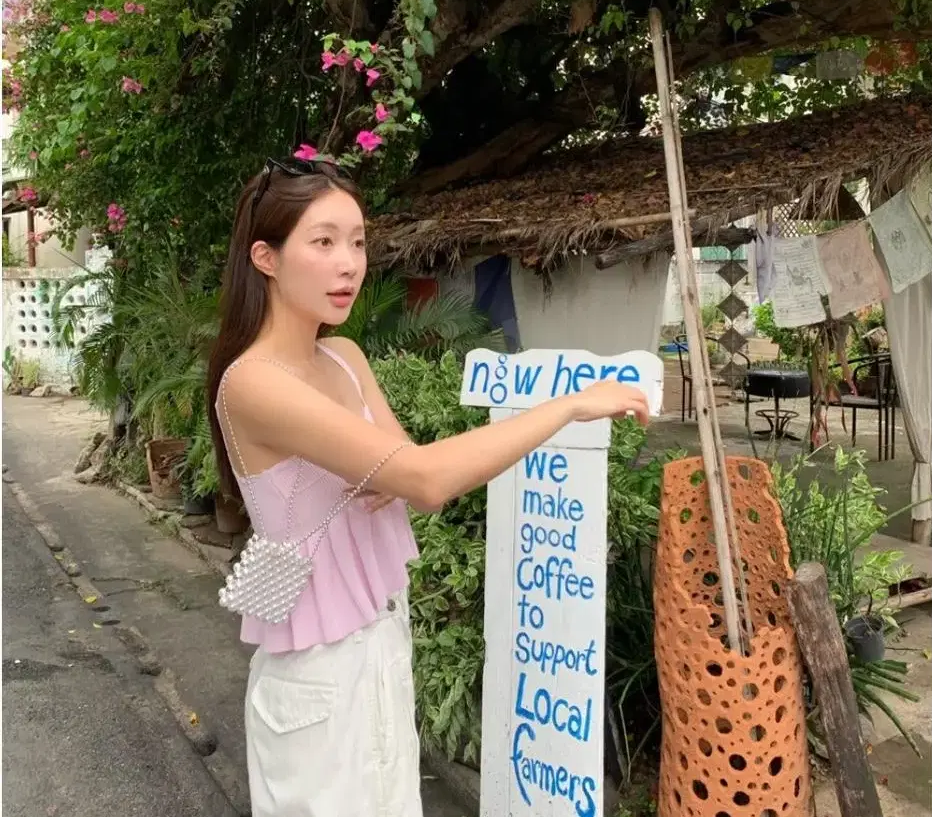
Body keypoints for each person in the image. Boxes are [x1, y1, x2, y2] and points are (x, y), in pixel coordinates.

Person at [206, 156, 651, 817]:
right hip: (317, 676)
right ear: (266, 258)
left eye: (356, 242)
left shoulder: (346, 357)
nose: (349, 263)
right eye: (322, 242)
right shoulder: (253, 382)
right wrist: (567, 406)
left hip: (384, 640)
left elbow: (403, 469)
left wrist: (392, 472)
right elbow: (427, 480)